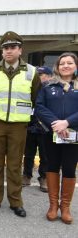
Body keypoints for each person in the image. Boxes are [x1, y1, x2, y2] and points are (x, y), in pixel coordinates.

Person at [0, 31, 40, 218]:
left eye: (12, 47)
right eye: (5, 48)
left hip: (18, 126)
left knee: (15, 165)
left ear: (20, 50)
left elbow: (35, 97)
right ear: (1, 51)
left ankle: (16, 201)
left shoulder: (32, 72)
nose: (8, 51)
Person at [35, 52, 78, 224]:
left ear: (75, 66)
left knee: (68, 168)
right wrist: (56, 123)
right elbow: (39, 107)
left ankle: (65, 207)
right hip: (51, 134)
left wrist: (67, 122)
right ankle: (53, 206)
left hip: (74, 135)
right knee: (52, 166)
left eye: (70, 63)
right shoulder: (47, 86)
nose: (65, 66)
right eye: (62, 63)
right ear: (57, 67)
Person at [22, 66, 53, 191]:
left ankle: (43, 177)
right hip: (30, 126)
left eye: (41, 74)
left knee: (45, 155)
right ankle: (26, 175)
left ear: (49, 76)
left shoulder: (51, 90)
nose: (39, 77)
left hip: (45, 128)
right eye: (37, 74)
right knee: (28, 154)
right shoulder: (30, 89)